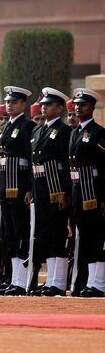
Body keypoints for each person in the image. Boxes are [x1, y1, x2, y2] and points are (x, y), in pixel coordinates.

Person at [29, 87, 72, 296]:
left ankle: (58, 282)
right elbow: (33, 162)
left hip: (56, 187)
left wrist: (65, 191)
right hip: (40, 187)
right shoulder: (38, 130)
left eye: (48, 105)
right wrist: (30, 189)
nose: (44, 108)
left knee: (58, 232)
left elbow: (66, 162)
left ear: (59, 108)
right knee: (45, 233)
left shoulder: (64, 132)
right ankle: (50, 281)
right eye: (43, 104)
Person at [0, 86, 35, 296]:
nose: (9, 104)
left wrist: (29, 188)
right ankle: (14, 279)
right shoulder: (7, 127)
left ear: (22, 104)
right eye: (7, 101)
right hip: (6, 185)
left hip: (19, 185)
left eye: (13, 102)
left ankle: (23, 280)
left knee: (20, 231)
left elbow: (30, 159)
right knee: (9, 233)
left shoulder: (26, 126)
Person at [68, 88, 105, 297]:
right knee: (84, 236)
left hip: (93, 192)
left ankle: (99, 283)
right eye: (76, 104)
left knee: (95, 237)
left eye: (82, 104)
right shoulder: (74, 132)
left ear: (92, 107)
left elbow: (103, 167)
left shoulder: (99, 133)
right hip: (77, 191)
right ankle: (91, 281)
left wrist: (103, 198)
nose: (78, 107)